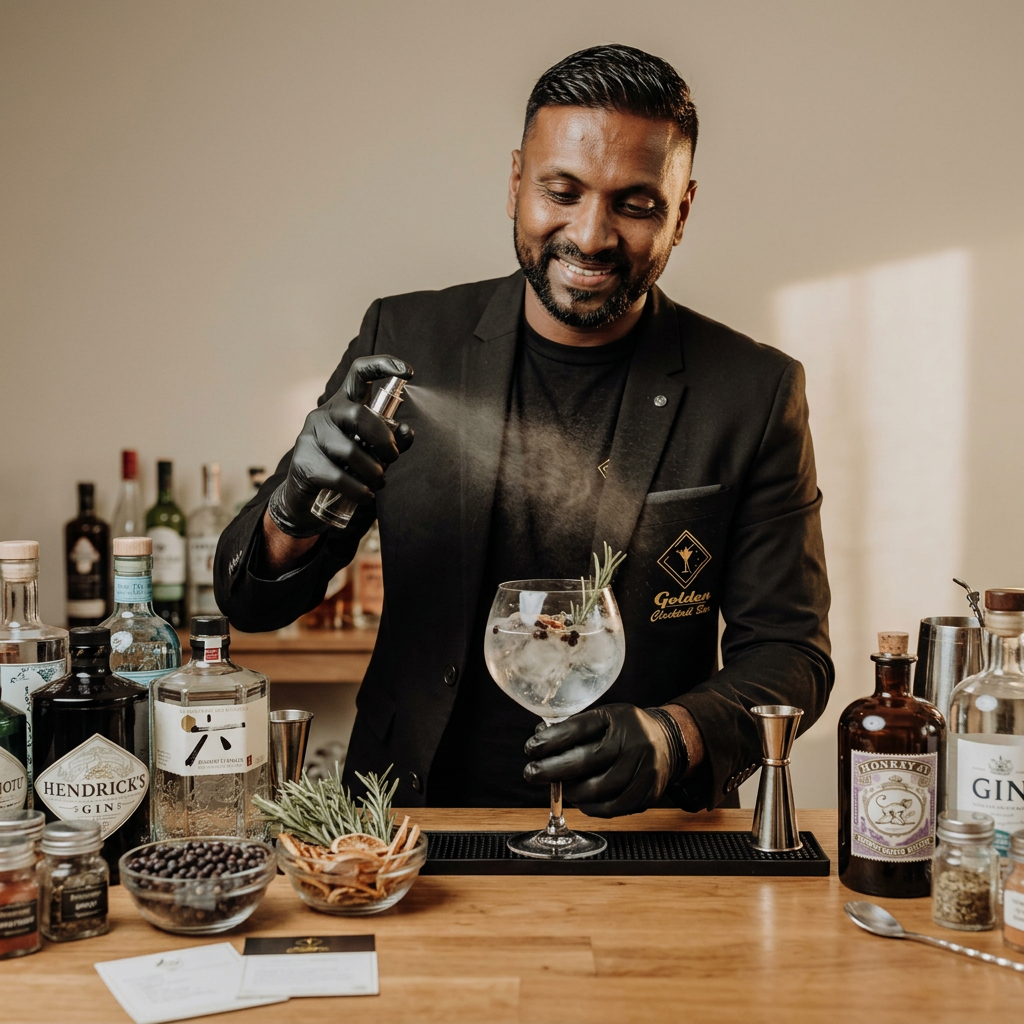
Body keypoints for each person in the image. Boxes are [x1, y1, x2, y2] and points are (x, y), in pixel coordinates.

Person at [215, 44, 833, 815]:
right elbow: (251, 603)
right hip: (410, 823)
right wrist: (294, 504)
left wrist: (675, 736)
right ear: (516, 183)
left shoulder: (754, 390)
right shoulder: (406, 339)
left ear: (683, 209)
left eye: (636, 203)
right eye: (562, 190)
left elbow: (791, 656)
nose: (592, 234)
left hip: (647, 837)